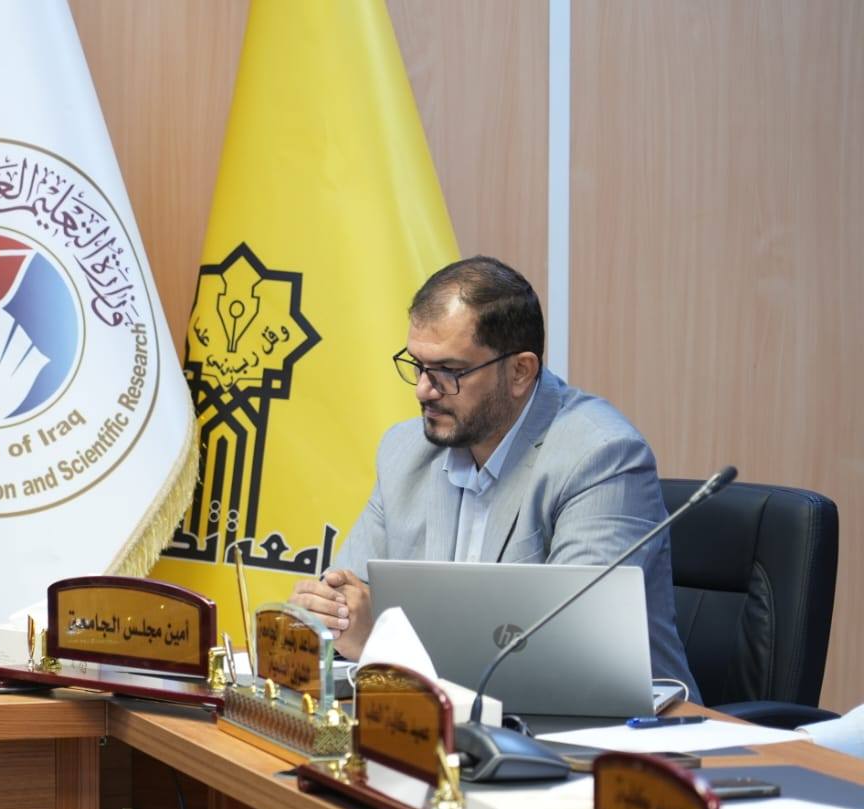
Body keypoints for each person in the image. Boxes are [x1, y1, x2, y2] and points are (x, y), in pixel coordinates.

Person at [291, 255, 699, 701]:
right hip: (443, 724)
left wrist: (382, 643)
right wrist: (330, 613)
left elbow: (566, 655)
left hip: (610, 728)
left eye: (449, 371)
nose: (423, 389)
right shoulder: (405, 450)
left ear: (520, 371)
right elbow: (345, 601)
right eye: (418, 365)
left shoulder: (600, 457)